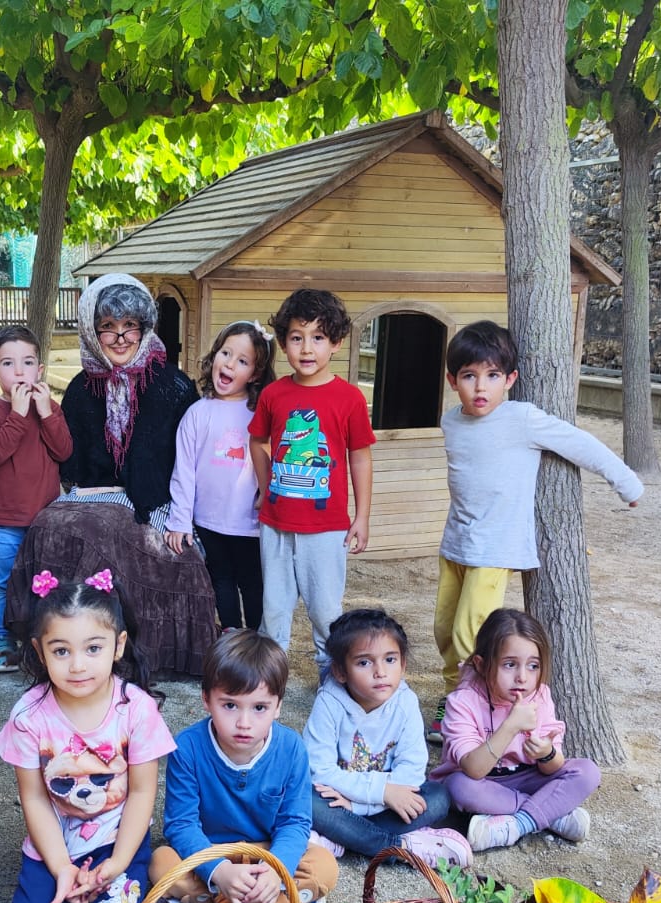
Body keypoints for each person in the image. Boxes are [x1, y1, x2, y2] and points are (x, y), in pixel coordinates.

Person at [431, 319, 642, 739]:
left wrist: (625, 482)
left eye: (492, 376)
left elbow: (579, 443)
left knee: (469, 633)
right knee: (443, 629)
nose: (480, 387)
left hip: (495, 547)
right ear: (453, 380)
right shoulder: (451, 422)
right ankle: (456, 694)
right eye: (469, 376)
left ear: (510, 379)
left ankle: (467, 710)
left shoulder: (522, 419)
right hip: (455, 542)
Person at [5, 274, 217, 677]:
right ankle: (59, 638)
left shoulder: (173, 384)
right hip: (93, 491)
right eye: (108, 327)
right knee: (52, 525)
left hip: (156, 496)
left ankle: (133, 647)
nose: (120, 338)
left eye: (129, 326)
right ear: (92, 331)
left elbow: (190, 460)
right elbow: (70, 459)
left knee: (121, 535)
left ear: (145, 328)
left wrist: (174, 511)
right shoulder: (81, 387)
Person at [0, 572, 174, 903]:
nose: (77, 665)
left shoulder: (137, 709)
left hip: (116, 841)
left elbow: (142, 792)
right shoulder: (28, 716)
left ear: (118, 645)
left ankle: (132, 891)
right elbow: (35, 799)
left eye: (93, 648)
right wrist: (62, 867)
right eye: (61, 651)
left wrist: (117, 864)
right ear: (39, 651)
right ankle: (64, 892)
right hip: (54, 846)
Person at [151, 629, 337, 903]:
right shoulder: (187, 747)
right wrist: (220, 871)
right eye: (230, 705)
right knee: (161, 862)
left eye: (259, 708)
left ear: (278, 706)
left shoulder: (291, 748)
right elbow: (181, 825)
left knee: (324, 864)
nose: (244, 723)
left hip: (266, 851)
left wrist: (275, 870)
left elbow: (294, 823)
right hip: (211, 850)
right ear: (206, 699)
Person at [249, 288, 376, 670]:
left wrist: (362, 516)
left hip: (326, 528)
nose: (306, 349)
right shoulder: (273, 395)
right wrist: (265, 486)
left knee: (325, 612)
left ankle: (332, 680)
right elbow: (257, 441)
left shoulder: (350, 398)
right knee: (273, 611)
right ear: (283, 343)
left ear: (336, 343)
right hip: (276, 524)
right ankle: (268, 683)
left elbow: (360, 456)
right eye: (296, 337)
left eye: (318, 337)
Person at [303, 609, 472, 866]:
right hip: (338, 801)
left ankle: (339, 838)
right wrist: (381, 792)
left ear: (403, 665)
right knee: (305, 799)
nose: (380, 672)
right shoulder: (328, 703)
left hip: (373, 804)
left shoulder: (405, 702)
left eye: (390, 659)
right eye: (364, 663)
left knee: (438, 797)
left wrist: (358, 806)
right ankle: (402, 847)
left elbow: (411, 773)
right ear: (339, 671)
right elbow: (319, 771)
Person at [429, 608, 599, 851]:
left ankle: (518, 824)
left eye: (533, 666)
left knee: (587, 771)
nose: (522, 677)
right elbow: (473, 770)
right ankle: (552, 814)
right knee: (457, 787)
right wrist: (511, 725)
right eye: (510, 665)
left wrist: (547, 754)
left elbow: (553, 766)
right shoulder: (463, 701)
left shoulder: (540, 695)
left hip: (528, 778)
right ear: (481, 664)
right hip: (482, 783)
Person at [165, 321, 278, 632]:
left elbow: (273, 458)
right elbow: (183, 470)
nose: (229, 364)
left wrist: (269, 495)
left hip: (250, 524)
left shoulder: (261, 413)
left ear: (255, 374)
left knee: (253, 585)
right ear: (214, 355)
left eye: (242, 361)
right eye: (225, 353)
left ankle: (256, 642)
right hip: (209, 521)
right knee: (221, 582)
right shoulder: (197, 413)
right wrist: (180, 520)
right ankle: (231, 636)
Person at [0, 324, 72, 673]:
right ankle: (3, 639)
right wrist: (18, 413)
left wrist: (45, 413)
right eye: (8, 363)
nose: (19, 371)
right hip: (5, 519)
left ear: (40, 369)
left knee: (44, 580)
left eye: (28, 362)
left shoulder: (51, 408)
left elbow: (64, 451)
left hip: (46, 519)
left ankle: (42, 639)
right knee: (4, 581)